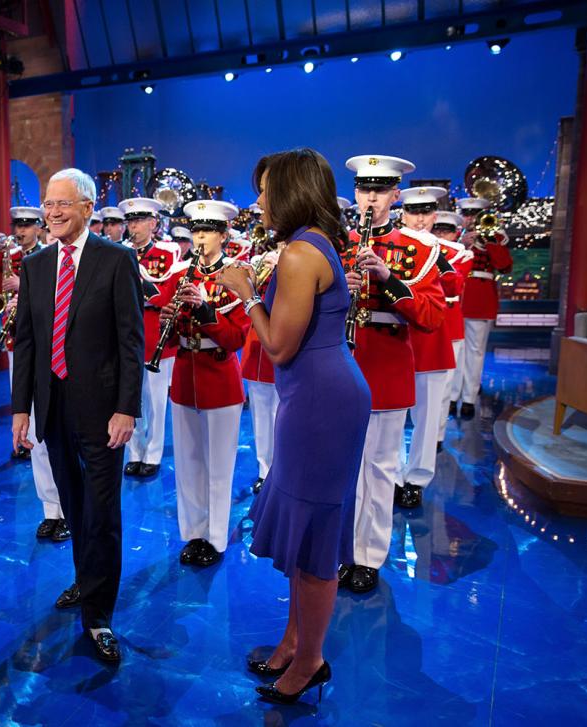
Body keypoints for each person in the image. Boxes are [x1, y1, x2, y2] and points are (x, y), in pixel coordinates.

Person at [217, 148, 370, 705]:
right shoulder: (310, 245)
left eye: (265, 190)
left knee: (316, 537)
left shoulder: (300, 255)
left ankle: (310, 662)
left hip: (320, 403)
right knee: (305, 528)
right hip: (315, 396)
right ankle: (291, 641)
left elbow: (278, 346)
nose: (258, 201)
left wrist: (246, 294)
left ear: (290, 191)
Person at [11, 168, 144, 663]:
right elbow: (26, 342)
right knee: (73, 506)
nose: (53, 213)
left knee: (102, 512)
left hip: (104, 411)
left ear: (88, 207)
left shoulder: (116, 260)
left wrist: (126, 408)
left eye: (63, 204)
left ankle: (99, 615)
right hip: (52, 409)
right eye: (48, 205)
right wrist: (20, 410)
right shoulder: (36, 265)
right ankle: (87, 582)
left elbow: (131, 342)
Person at [338, 155, 445, 594]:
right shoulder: (338, 243)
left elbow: (433, 315)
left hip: (385, 369)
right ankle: (343, 549)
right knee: (343, 468)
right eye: (365, 189)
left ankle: (368, 556)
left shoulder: (419, 249)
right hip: (341, 366)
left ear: (395, 195)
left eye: (381, 190)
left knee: (380, 468)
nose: (372, 198)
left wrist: (388, 281)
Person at [154, 199, 248, 567]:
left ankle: (217, 536)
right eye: (195, 231)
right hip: (185, 375)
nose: (200, 238)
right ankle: (193, 533)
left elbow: (236, 338)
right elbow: (174, 332)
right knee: (189, 462)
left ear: (223, 235)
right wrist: (169, 323)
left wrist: (207, 311)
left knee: (219, 464)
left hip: (220, 376)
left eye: (207, 230)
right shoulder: (181, 274)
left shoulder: (237, 275)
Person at [0, 207, 71, 542]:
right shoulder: (26, 261)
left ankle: (69, 509)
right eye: (18, 225)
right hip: (32, 357)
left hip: (61, 360)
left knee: (65, 440)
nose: (21, 230)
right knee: (38, 439)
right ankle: (50, 509)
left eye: (27, 225)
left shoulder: (47, 261)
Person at [396, 187, 460, 509]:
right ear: (403, 214)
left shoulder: (450, 250)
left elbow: (453, 286)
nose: (420, 219)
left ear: (435, 216)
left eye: (426, 212)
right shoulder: (388, 244)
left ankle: (417, 480)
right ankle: (393, 476)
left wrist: (437, 252)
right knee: (389, 417)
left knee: (427, 416)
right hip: (394, 339)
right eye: (413, 212)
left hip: (431, 341)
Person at [119, 196, 179, 478]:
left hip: (156, 336)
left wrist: (140, 288)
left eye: (140, 220)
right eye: (131, 220)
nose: (134, 226)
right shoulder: (119, 251)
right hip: (125, 336)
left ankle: (153, 454)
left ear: (154, 223)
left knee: (155, 400)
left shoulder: (167, 254)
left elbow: (165, 295)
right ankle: (135, 452)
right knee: (130, 398)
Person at [457, 197, 512, 418]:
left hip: (480, 298)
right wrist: (462, 244)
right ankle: (453, 395)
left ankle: (469, 398)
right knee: (456, 350)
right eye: (467, 214)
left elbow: (504, 266)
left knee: (475, 351)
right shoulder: (454, 237)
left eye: (474, 214)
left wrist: (489, 241)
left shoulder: (496, 238)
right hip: (457, 297)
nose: (470, 219)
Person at [242, 236, 283, 495]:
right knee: (261, 416)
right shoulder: (259, 261)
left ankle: (281, 471)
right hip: (257, 349)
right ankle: (264, 470)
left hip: (282, 345)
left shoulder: (302, 259)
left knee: (283, 416)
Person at [431, 211, 473, 433]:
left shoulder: (461, 255)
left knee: (445, 383)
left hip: (449, 321)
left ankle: (437, 434)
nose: (440, 235)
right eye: (437, 230)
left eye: (445, 231)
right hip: (424, 318)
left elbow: (453, 285)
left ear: (455, 233)